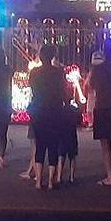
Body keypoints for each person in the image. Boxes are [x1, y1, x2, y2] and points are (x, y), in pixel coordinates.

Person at [86, 46, 111, 186]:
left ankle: (110, 176)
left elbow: (91, 85)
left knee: (105, 143)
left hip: (102, 107)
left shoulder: (98, 69)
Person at [28, 45, 65, 190]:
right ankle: (50, 180)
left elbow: (32, 88)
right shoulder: (58, 73)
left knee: (40, 145)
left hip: (38, 109)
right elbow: (62, 91)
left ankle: (38, 181)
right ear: (52, 56)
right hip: (55, 110)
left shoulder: (35, 73)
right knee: (53, 145)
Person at [57, 99, 82, 184]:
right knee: (72, 157)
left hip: (62, 135)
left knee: (61, 156)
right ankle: (71, 177)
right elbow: (79, 121)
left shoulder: (60, 110)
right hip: (71, 134)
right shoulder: (74, 110)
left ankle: (59, 177)